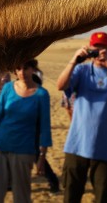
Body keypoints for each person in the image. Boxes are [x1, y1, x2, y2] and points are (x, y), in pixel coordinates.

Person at [57, 32, 107, 203]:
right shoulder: (81, 70)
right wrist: (74, 60)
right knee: (71, 194)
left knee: (103, 195)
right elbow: (61, 85)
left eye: (104, 47)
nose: (100, 51)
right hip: (78, 144)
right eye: (96, 47)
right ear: (90, 48)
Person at [0, 59, 52, 203]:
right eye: (18, 68)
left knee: (21, 195)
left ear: (33, 69)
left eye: (26, 68)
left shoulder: (41, 94)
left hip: (24, 151)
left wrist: (42, 157)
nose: (22, 72)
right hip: (0, 147)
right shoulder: (8, 88)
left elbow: (45, 127)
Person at [29, 58, 60, 193]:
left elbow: (37, 86)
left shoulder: (37, 75)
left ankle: (53, 181)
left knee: (36, 153)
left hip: (34, 111)